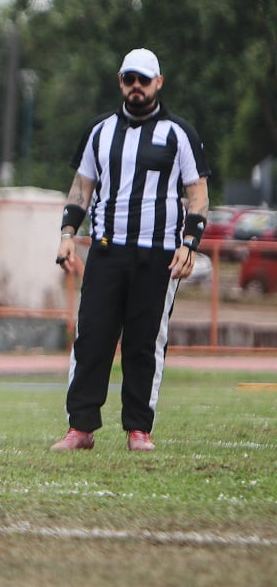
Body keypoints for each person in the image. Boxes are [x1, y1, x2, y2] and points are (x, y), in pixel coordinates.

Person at [51, 48, 208, 453]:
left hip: (157, 255)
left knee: (145, 342)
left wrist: (190, 244)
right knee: (92, 338)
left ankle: (139, 428)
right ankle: (80, 427)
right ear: (120, 82)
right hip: (106, 251)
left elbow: (198, 193)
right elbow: (81, 187)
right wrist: (68, 232)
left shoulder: (179, 134)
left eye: (143, 79)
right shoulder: (100, 131)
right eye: (128, 79)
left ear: (158, 82)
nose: (135, 86)